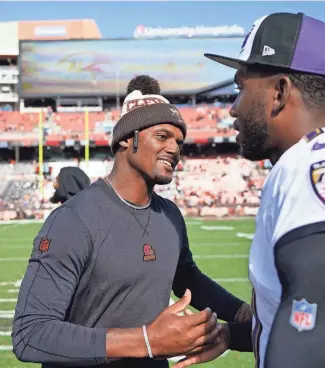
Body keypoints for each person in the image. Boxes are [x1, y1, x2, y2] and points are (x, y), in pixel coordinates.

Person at [174, 12, 325, 368]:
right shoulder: (312, 160)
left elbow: (321, 342)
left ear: (279, 92)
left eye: (240, 88)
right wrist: (234, 335)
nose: (232, 109)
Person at [12, 75, 252, 368]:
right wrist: (146, 341)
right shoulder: (73, 219)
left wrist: (241, 313)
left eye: (179, 142)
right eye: (162, 137)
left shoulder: (171, 215)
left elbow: (189, 279)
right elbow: (30, 334)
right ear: (127, 138)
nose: (175, 150)